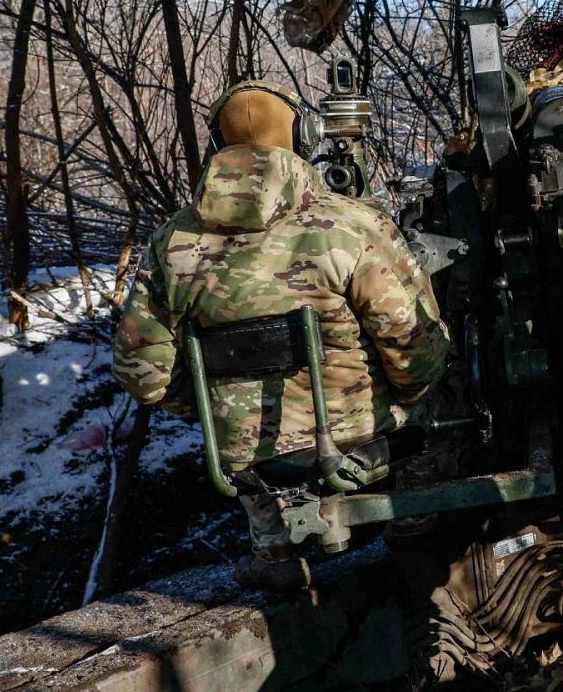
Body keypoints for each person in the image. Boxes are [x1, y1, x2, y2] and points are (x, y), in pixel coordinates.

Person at [112, 79, 448, 591]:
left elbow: (140, 371)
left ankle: (275, 553)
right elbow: (412, 342)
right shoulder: (353, 226)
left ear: (217, 148)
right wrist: (409, 396)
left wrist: (211, 410)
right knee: (439, 386)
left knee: (246, 440)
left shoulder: (171, 243)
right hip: (360, 440)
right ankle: (415, 526)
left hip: (247, 460)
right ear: (305, 135)